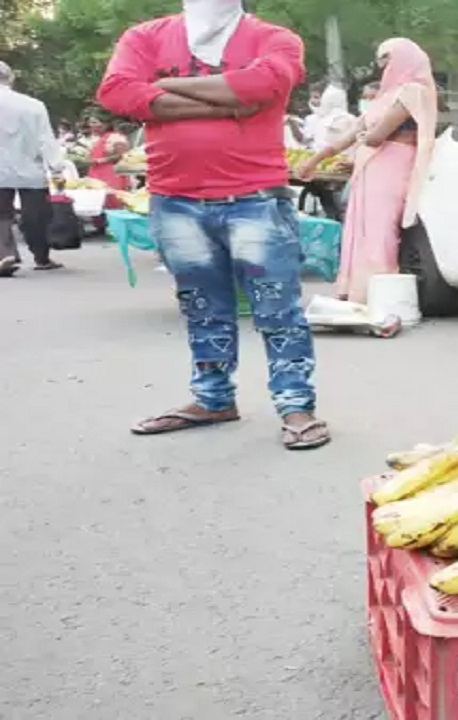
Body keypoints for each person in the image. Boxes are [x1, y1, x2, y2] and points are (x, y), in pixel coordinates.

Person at [97, 0, 330, 450]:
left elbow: (262, 85)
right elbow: (118, 93)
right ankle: (213, 398)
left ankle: (296, 406)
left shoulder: (274, 39)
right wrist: (228, 102)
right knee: (202, 306)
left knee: (278, 309)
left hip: (255, 196)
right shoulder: (144, 37)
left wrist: (165, 89)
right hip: (175, 197)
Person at [298, 38, 437, 304]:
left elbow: (377, 136)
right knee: (359, 226)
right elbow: (351, 136)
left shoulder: (412, 91)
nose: (381, 64)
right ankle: (356, 291)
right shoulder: (385, 96)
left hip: (393, 164)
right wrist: (314, 160)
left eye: (386, 58)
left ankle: (381, 292)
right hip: (371, 165)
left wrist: (364, 137)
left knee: (381, 229)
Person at [0, 60, 67, 276]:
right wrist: (56, 169)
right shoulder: (33, 105)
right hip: (31, 170)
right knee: (36, 215)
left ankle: (4, 254)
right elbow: (46, 140)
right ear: (10, 78)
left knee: (1, 216)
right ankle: (41, 257)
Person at [85, 117, 131, 207]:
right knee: (98, 201)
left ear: (106, 124)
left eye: (94, 122)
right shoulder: (96, 138)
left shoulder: (116, 137)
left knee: (112, 199)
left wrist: (101, 160)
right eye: (90, 123)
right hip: (96, 173)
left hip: (110, 173)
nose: (91, 125)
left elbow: (123, 155)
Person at [307, 84, 358, 154]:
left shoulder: (346, 118)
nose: (312, 101)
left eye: (316, 97)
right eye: (312, 97)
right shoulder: (317, 118)